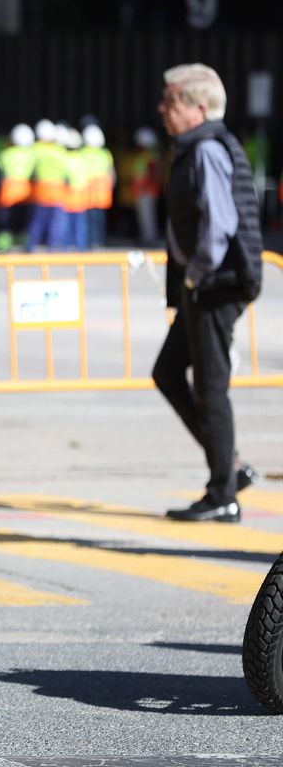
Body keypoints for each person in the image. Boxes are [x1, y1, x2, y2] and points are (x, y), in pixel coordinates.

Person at [151, 63, 263, 522]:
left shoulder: (206, 150)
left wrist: (194, 277)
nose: (162, 109)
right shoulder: (196, 147)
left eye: (171, 101)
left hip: (215, 286)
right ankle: (229, 468)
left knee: (211, 391)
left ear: (198, 109)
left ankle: (223, 495)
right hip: (206, 286)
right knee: (169, 372)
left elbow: (220, 227)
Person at [0, 123, 36, 252]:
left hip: (8, 192)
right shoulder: (32, 155)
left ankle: (2, 245)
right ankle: (24, 244)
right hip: (26, 192)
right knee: (23, 220)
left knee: (6, 222)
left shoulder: (5, 154)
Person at [26, 119, 68, 251]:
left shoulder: (35, 149)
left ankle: (31, 245)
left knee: (37, 220)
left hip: (40, 189)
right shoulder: (60, 150)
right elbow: (66, 171)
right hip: (57, 189)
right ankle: (53, 246)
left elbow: (29, 169)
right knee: (56, 221)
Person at [80, 123, 115, 248]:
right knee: (99, 220)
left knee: (87, 221)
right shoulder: (105, 154)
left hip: (86, 194)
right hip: (102, 194)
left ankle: (89, 242)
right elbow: (111, 174)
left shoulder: (82, 153)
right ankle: (99, 242)